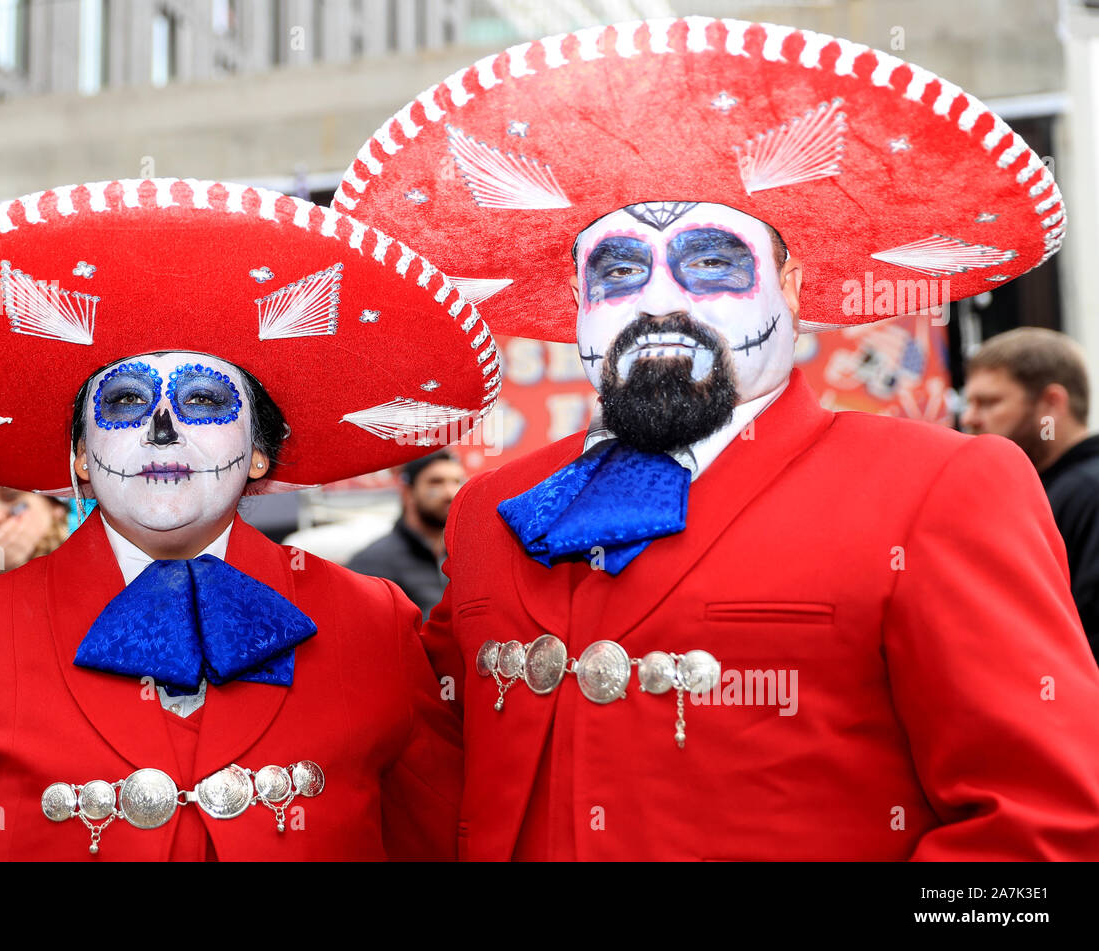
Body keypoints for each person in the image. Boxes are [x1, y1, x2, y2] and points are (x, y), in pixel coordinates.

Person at [337, 17, 1099, 859]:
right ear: (579, 308)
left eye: (710, 262)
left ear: (792, 289)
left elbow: (1046, 827)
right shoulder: (488, 510)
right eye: (618, 269)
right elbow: (428, 768)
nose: (660, 300)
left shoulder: (943, 486)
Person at [0, 178, 497, 860]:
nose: (163, 430)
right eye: (124, 402)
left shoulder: (372, 621)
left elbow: (441, 839)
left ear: (259, 453)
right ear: (82, 457)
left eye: (204, 398)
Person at [963, 327, 1099, 656]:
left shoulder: (1087, 491)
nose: (970, 418)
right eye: (969, 402)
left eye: (989, 402)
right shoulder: (1055, 487)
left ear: (1052, 403)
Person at [348, 449, 466, 617]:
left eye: (457, 482)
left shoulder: (466, 558)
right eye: (436, 482)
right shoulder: (371, 564)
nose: (450, 493)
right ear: (407, 492)